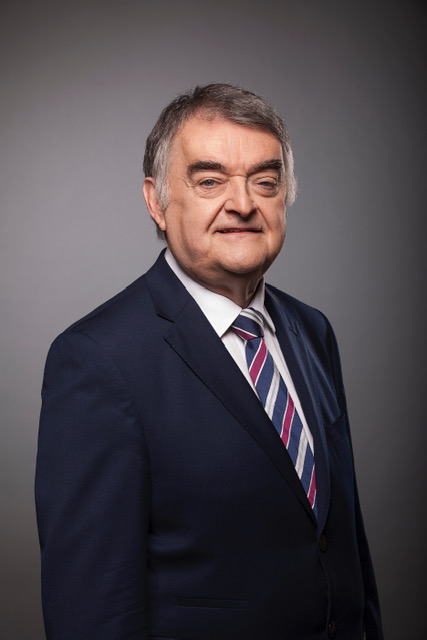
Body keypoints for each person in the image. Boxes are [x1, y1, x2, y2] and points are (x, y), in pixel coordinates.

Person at [35, 84, 383, 639]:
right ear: (156, 201)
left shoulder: (313, 331)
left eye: (265, 182)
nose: (243, 204)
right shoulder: (98, 361)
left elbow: (341, 547)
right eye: (210, 181)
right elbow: (92, 612)